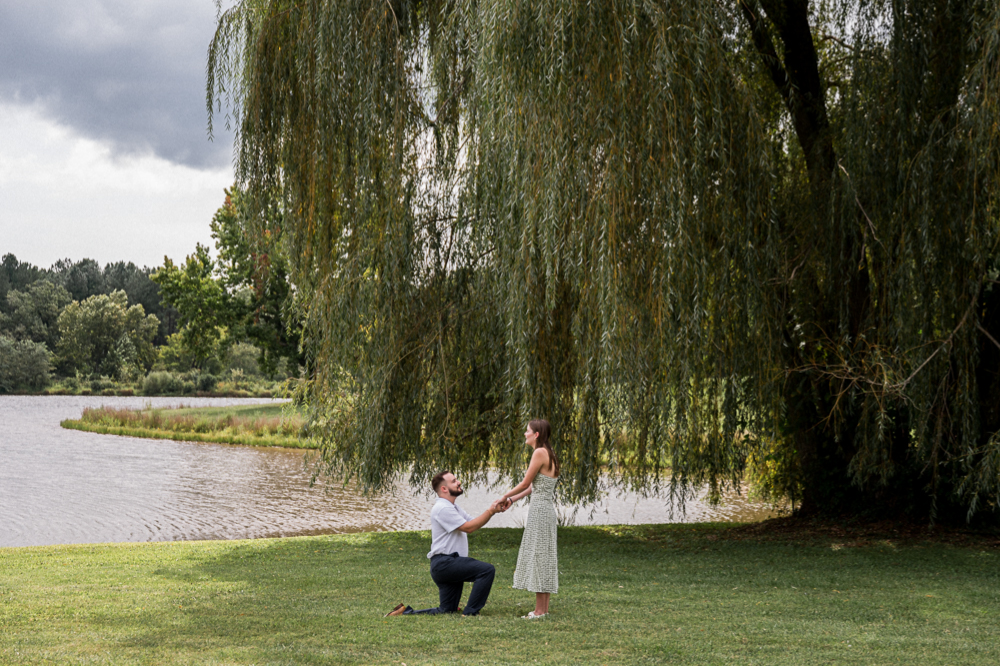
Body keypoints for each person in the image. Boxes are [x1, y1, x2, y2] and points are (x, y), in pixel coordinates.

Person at [388, 471, 507, 617]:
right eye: (454, 481)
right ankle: (470, 613)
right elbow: (469, 528)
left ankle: (404, 613)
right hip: (446, 563)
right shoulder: (443, 508)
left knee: (447, 610)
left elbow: (473, 523)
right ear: (444, 488)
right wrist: (490, 511)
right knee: (486, 570)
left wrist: (493, 509)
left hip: (446, 565)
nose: (458, 483)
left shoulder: (453, 507)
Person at [500, 418, 560, 619]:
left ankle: (539, 611)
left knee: (539, 557)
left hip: (540, 512)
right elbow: (534, 486)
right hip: (545, 510)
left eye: (527, 431)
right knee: (544, 557)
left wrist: (504, 496)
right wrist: (513, 499)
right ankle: (543, 610)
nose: (525, 434)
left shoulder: (539, 452)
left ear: (536, 434)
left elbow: (526, 482)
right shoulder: (550, 453)